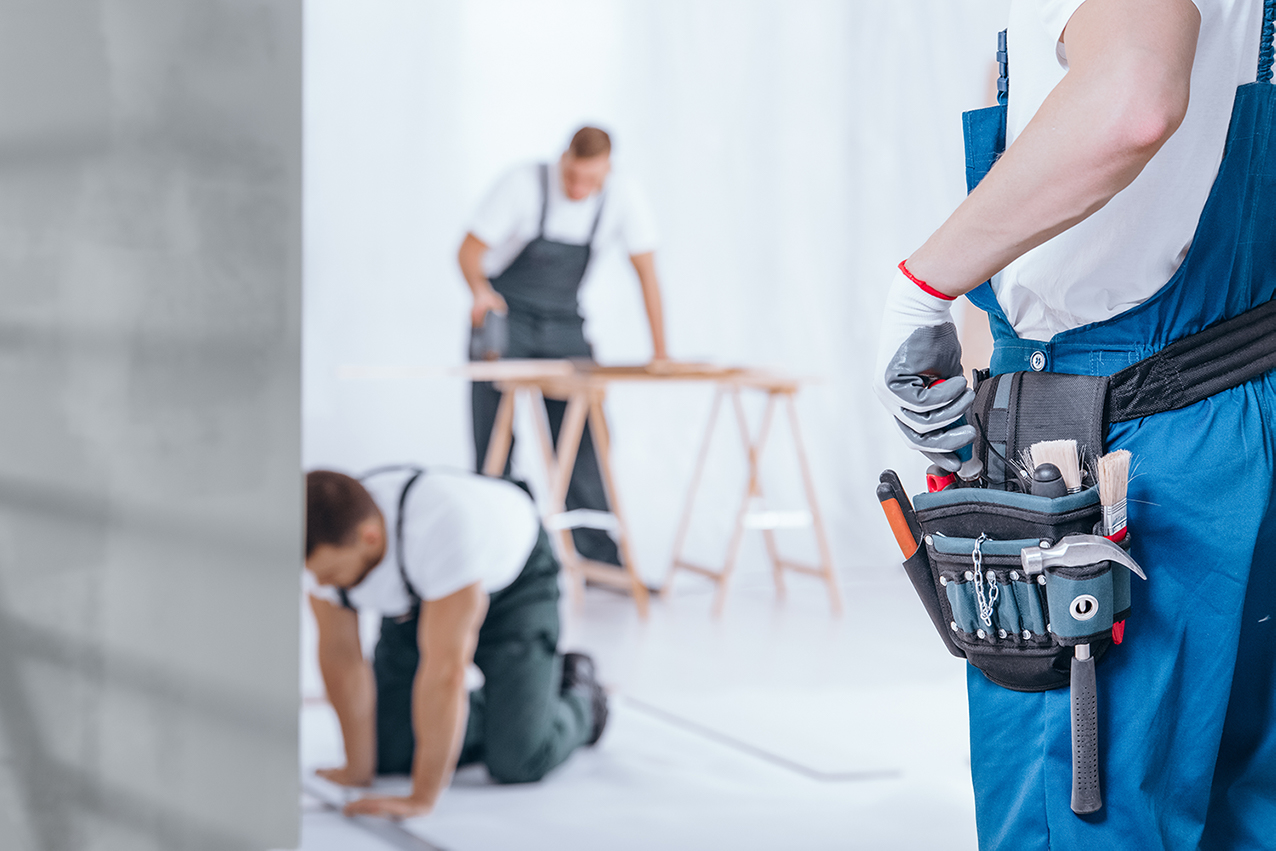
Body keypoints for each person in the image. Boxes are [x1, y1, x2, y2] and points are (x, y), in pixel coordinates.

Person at [874, 0, 1275, 848]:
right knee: (1241, 810)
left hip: (1118, 450)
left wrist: (923, 285)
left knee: (1081, 819)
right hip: (1242, 410)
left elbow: (1131, 100)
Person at [304, 466, 608, 819]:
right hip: (421, 599)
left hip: (514, 589)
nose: (321, 583)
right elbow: (341, 658)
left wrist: (421, 798)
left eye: (331, 574)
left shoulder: (442, 529)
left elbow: (445, 672)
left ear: (369, 537)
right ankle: (504, 710)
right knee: (388, 748)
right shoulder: (321, 546)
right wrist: (356, 771)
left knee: (518, 757)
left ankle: (581, 696)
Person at [458, 126, 667, 568]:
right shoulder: (523, 185)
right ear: (563, 158)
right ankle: (497, 560)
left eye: (589, 181)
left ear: (608, 171)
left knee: (586, 437)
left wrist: (660, 351)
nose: (577, 188)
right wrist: (479, 290)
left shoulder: (623, 198)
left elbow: (647, 273)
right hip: (505, 316)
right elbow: (469, 251)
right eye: (572, 176)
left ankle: (601, 561)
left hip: (564, 323)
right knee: (492, 440)